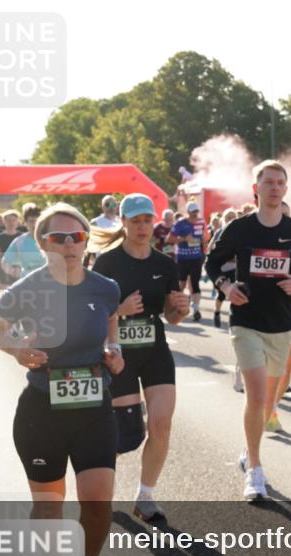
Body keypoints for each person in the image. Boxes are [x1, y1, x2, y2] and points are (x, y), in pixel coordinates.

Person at [0, 202, 124, 556]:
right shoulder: (26, 288)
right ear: (41, 243)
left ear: (86, 241)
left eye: (76, 236)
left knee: (98, 504)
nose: (67, 244)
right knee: (48, 507)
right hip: (41, 410)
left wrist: (114, 353)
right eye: (57, 238)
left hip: (94, 406)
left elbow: (111, 331)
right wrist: (16, 350)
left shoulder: (105, 288)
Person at [205, 160, 291, 501]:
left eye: (280, 182)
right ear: (256, 189)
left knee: (269, 401)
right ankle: (255, 471)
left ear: (285, 189)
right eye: (268, 182)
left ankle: (248, 449)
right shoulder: (240, 229)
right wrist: (226, 287)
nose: (274, 187)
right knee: (256, 397)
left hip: (280, 325)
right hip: (246, 322)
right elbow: (212, 262)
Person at [92, 194, 190, 523]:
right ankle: (97, 486)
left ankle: (145, 495)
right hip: (117, 352)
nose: (143, 227)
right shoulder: (106, 263)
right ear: (123, 223)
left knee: (161, 425)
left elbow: (172, 316)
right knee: (123, 436)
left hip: (154, 350)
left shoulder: (165, 264)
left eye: (147, 220)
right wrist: (118, 311)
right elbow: (91, 312)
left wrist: (180, 309)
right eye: (135, 221)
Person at [266, 201, 291, 430]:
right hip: (265, 313)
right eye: (281, 214)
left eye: (288, 215)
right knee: (269, 368)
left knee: (286, 367)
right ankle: (263, 407)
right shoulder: (259, 239)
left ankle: (271, 407)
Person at [168, 200, 206, 322]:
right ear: (188, 212)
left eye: (197, 211)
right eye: (193, 212)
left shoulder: (201, 222)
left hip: (196, 258)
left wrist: (203, 240)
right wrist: (184, 239)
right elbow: (170, 239)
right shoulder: (180, 223)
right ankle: (177, 307)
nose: (196, 214)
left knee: (195, 284)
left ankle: (196, 310)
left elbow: (204, 238)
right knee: (181, 284)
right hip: (183, 258)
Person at [210, 208, 239, 328]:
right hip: (222, 269)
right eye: (228, 218)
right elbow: (211, 247)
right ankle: (217, 312)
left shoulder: (241, 233)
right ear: (224, 220)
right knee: (221, 295)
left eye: (233, 217)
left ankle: (234, 319)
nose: (231, 220)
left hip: (236, 269)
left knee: (237, 293)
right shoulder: (219, 232)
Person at [1, 212, 45, 280]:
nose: (34, 224)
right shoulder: (19, 241)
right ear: (25, 223)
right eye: (31, 221)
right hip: (27, 282)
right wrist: (12, 272)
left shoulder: (49, 239)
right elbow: (5, 261)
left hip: (48, 282)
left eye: (37, 221)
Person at [85, 196, 121, 267]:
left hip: (119, 260)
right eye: (107, 204)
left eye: (113, 204)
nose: (110, 207)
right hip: (102, 261)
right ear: (102, 207)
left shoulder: (121, 221)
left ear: (116, 206)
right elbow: (89, 244)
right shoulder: (95, 222)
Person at [0, 211, 24, 291]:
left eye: (14, 220)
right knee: (6, 292)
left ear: (17, 222)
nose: (11, 223)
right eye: (9, 220)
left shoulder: (23, 236)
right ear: (4, 222)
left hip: (20, 268)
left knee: (19, 291)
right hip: (4, 268)